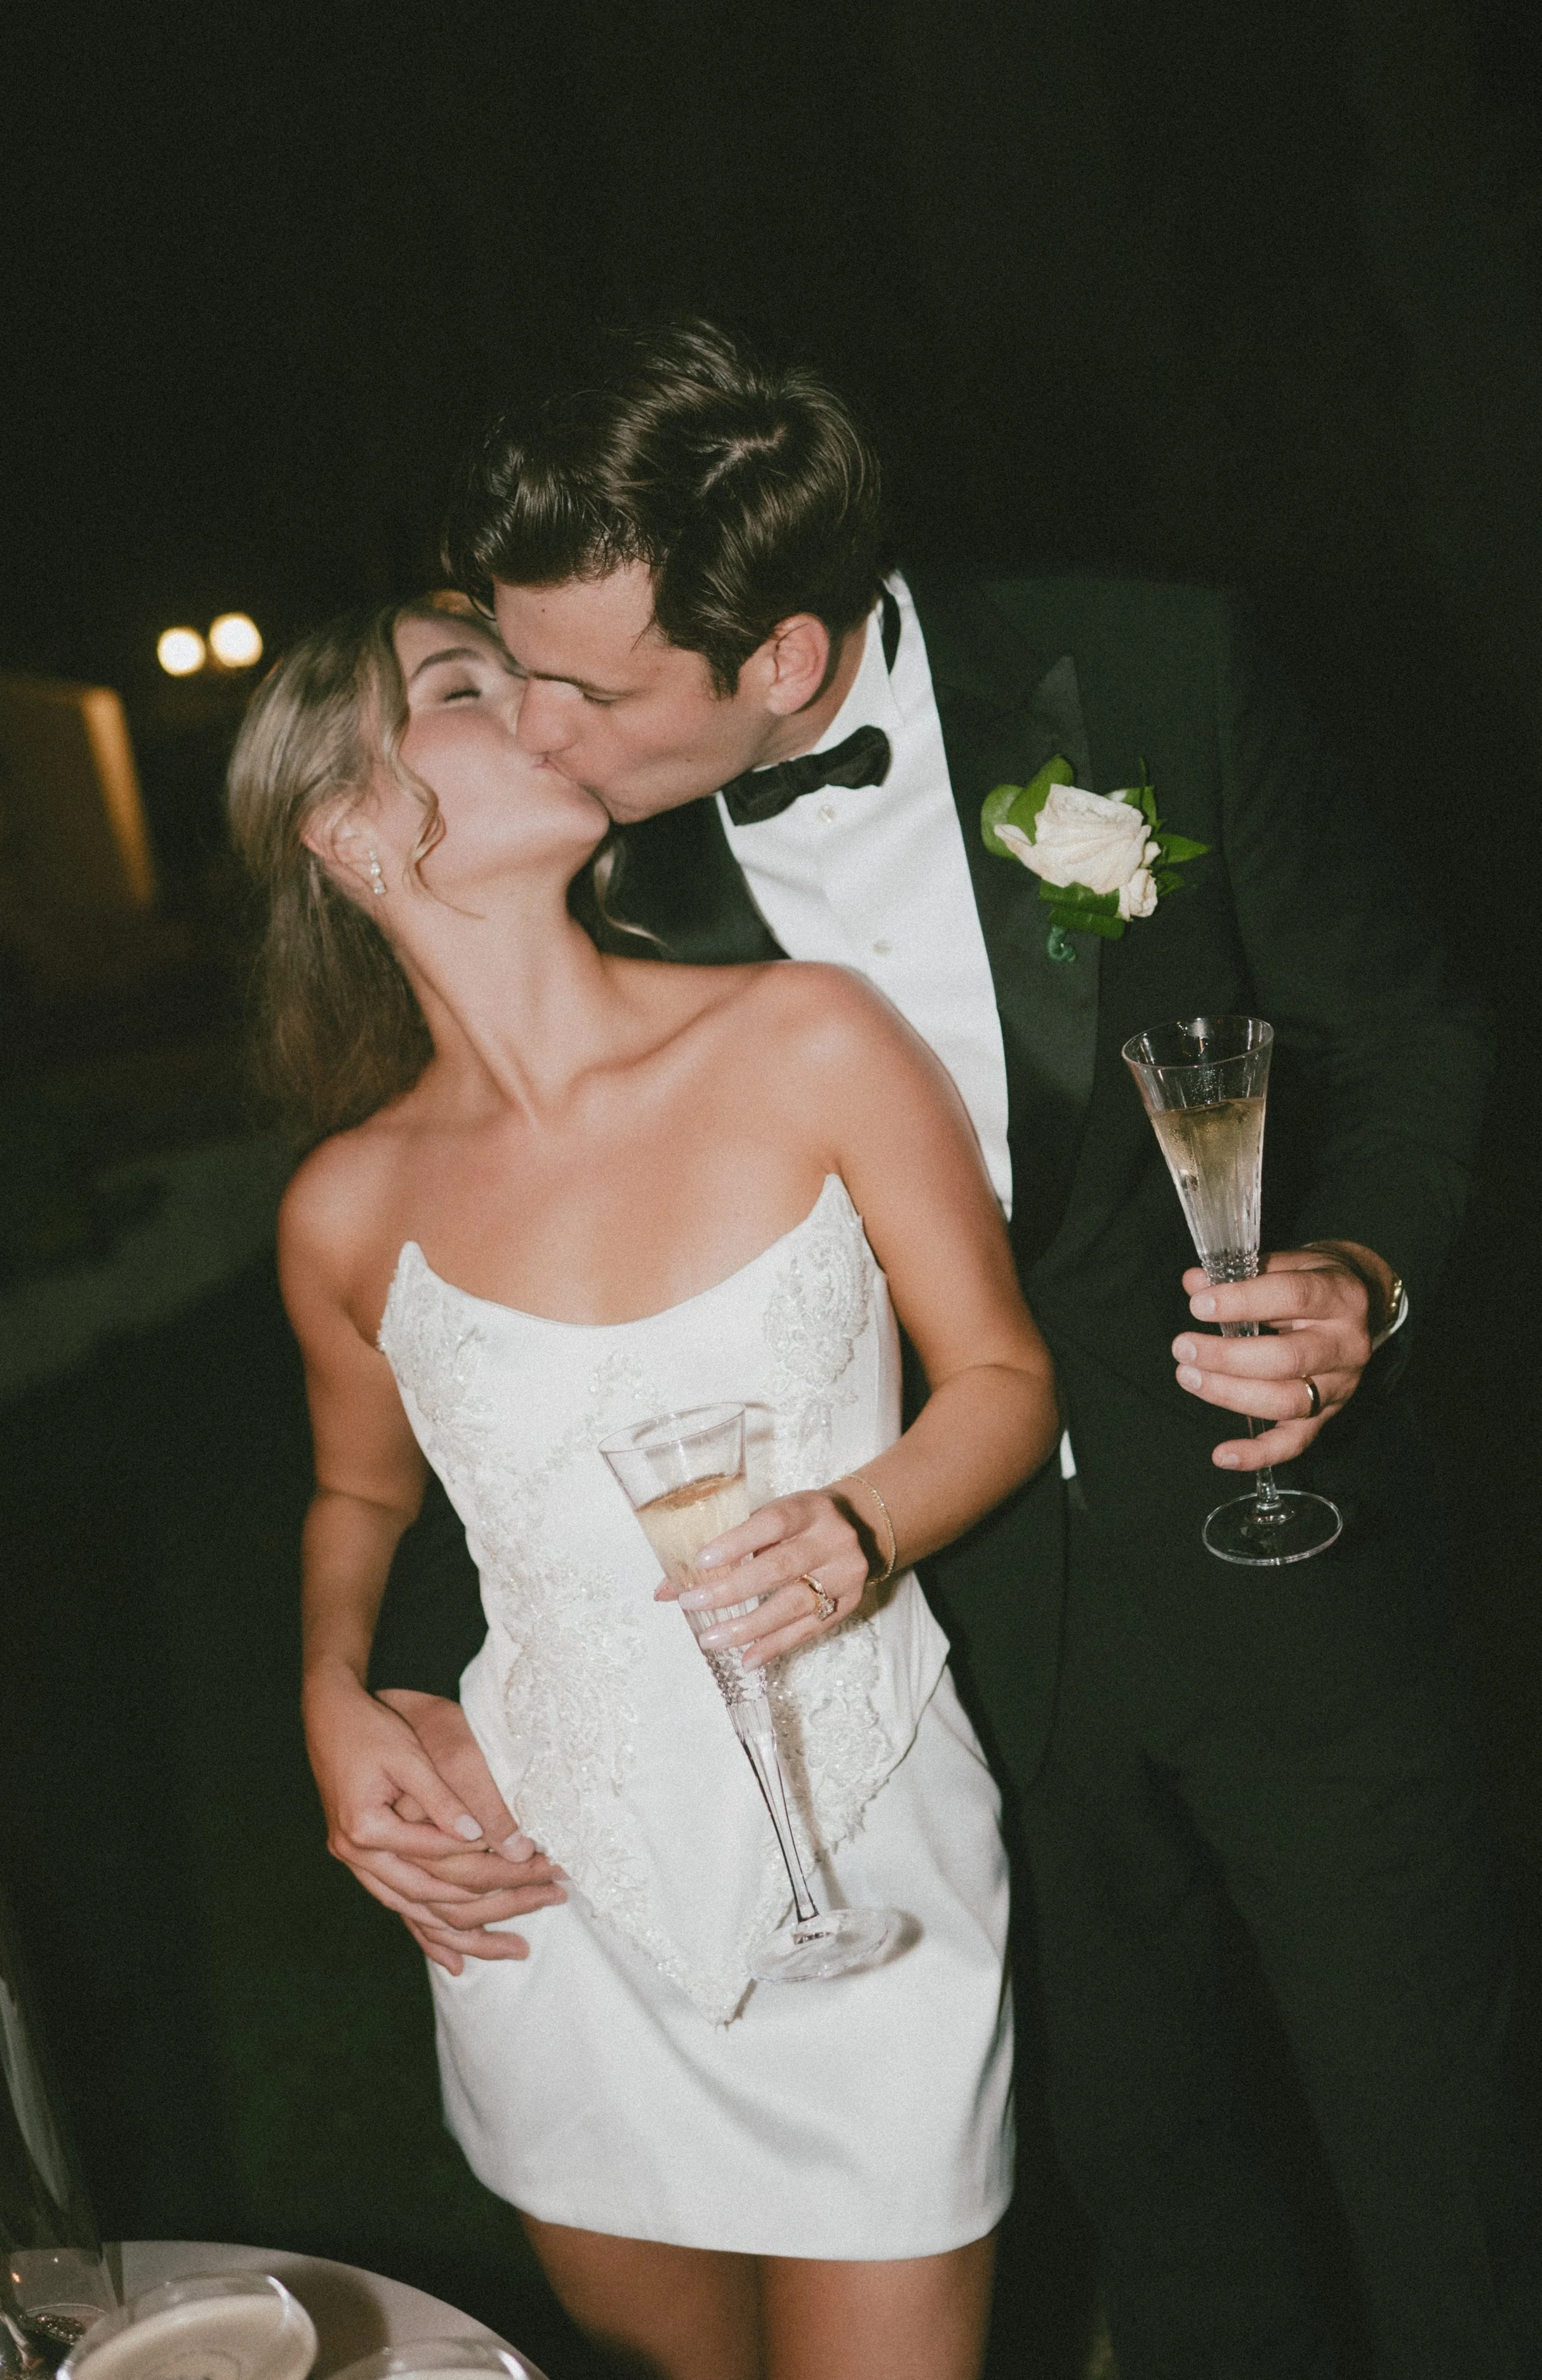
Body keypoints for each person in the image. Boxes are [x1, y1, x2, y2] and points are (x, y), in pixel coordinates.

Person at [320, 321, 1541, 2380]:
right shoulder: (588, 858)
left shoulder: (1156, 670)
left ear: (782, 660)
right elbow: (516, 1318)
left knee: (1448, 2153)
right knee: (1158, 2197)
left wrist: (1366, 1270)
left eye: (585, 689)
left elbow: (1413, 1027)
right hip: (941, 1654)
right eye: (507, 668)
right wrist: (398, 1687)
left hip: (1283, 1550)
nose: (529, 726)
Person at [229, 596, 1059, 2380]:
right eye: (466, 685)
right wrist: (329, 1691)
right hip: (546, 1888)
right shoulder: (346, 1205)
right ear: (348, 825)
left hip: (871, 1855)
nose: (543, 703)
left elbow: (1003, 1382)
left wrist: (865, 1526)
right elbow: (357, 1499)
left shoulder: (806, 1035)